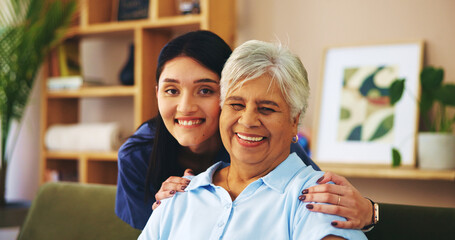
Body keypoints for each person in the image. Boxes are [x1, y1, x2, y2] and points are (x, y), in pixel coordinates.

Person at [115, 30, 376, 231]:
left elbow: (319, 204)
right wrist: (169, 209)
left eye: (205, 90)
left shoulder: (261, 142)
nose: (185, 107)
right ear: (156, 93)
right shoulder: (137, 155)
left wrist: (369, 211)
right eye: (172, 90)